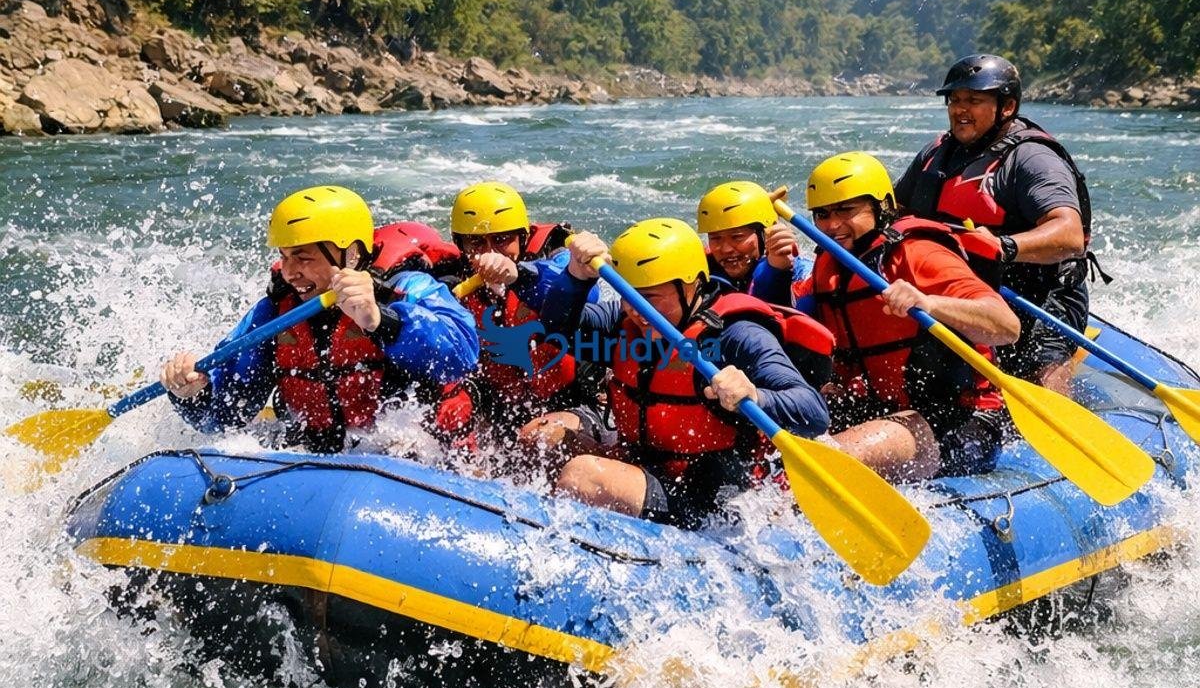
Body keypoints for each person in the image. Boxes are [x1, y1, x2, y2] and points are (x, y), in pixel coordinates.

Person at [523, 218, 831, 528]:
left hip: (706, 492)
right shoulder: (625, 321)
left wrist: (755, 395)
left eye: (650, 299)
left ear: (691, 286)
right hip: (640, 460)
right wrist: (576, 278)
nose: (635, 310)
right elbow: (555, 332)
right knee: (541, 436)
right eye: (629, 297)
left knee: (582, 477)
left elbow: (814, 411)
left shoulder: (737, 334)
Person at [160, 185, 479, 453]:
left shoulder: (406, 288)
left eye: (303, 257)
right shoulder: (276, 311)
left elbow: (461, 353)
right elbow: (228, 416)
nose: (289, 271)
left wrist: (381, 320)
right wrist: (196, 395)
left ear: (350, 255)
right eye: (285, 256)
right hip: (317, 460)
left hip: (417, 459)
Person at [789, 151, 1020, 481]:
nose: (832, 224)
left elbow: (1006, 325)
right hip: (875, 408)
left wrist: (929, 303)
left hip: (958, 419)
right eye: (822, 214)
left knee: (824, 463)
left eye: (846, 210)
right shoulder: (829, 266)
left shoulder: (917, 253)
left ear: (881, 206)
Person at [894, 53, 1099, 393]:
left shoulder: (1032, 158)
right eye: (955, 100)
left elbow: (1070, 234)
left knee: (1041, 377)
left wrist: (1005, 246)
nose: (961, 110)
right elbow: (896, 211)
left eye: (974, 100)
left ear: (1006, 107)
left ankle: (1056, 391)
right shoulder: (935, 153)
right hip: (968, 288)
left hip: (1040, 292)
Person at [445, 181, 598, 434]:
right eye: (476, 243)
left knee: (538, 436)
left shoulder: (556, 256)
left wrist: (520, 276)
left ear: (523, 237)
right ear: (460, 245)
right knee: (446, 413)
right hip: (499, 403)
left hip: (571, 399)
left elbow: (585, 292)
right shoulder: (451, 280)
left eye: (502, 239)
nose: (489, 253)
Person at [696, 180, 799, 293]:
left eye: (736, 237)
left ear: (765, 235)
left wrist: (779, 267)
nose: (726, 249)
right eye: (715, 238)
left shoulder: (795, 269)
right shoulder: (698, 271)